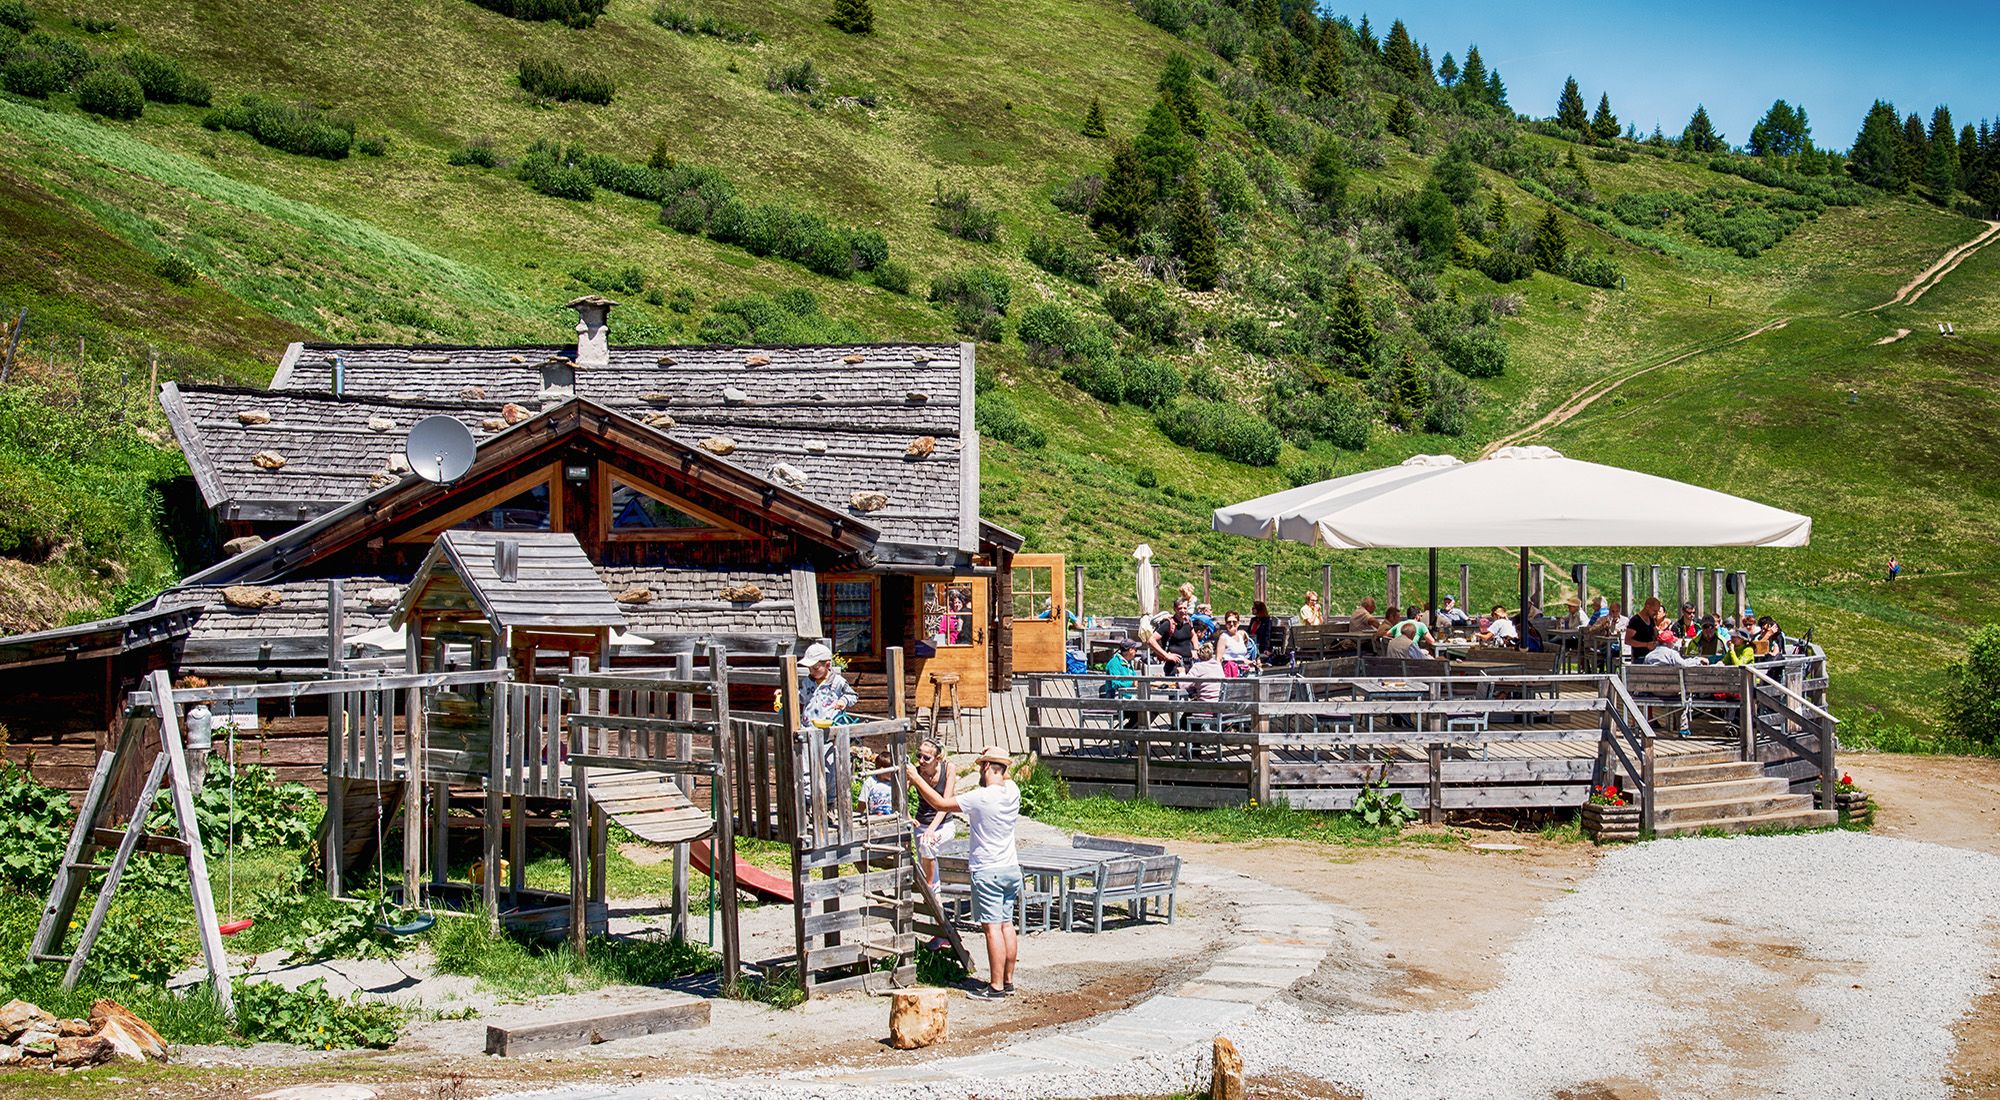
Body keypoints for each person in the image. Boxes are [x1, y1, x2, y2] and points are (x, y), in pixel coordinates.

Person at [909, 745, 1020, 999]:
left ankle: (995, 988)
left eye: (982, 765)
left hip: (988, 869)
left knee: (992, 928)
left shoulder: (981, 797)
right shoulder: (1013, 792)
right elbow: (1006, 773)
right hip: (1010, 868)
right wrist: (995, 754)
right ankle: (1008, 980)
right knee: (1006, 925)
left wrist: (915, 778)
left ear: (987, 768)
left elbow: (940, 803)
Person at [911, 738, 956, 890]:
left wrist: (931, 829)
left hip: (943, 823)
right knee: (926, 860)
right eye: (919, 756)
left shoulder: (949, 768)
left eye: (926, 758)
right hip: (921, 822)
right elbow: (899, 795)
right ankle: (935, 903)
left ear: (937, 759)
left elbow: (945, 803)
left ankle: (929, 888)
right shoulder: (916, 773)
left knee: (927, 845)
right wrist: (908, 817)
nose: (921, 761)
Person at [800, 642, 856, 724]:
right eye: (809, 668)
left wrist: (843, 700)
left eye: (815, 668)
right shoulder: (807, 682)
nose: (811, 671)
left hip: (830, 726)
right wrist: (786, 695)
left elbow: (852, 695)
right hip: (808, 726)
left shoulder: (838, 682)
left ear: (827, 665)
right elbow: (802, 697)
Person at [1103, 638, 1147, 729]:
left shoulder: (1128, 663)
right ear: (1130, 650)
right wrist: (1132, 683)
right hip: (1116, 700)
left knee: (1153, 707)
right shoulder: (1114, 663)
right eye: (1135, 649)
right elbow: (1115, 684)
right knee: (1144, 708)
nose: (1136, 651)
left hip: (1129, 696)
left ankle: (1129, 731)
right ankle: (1128, 732)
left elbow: (1135, 680)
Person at [1146, 604, 1198, 672]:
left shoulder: (1188, 621)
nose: (1183, 610)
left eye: (1185, 608)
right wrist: (1166, 655)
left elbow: (1193, 635)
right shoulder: (1168, 624)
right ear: (1175, 609)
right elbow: (1150, 641)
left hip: (1189, 663)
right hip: (1174, 666)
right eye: (1180, 608)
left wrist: (1196, 649)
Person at [859, 751, 895, 817]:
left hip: (892, 817)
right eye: (890, 771)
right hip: (875, 818)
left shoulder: (894, 782)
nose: (893, 773)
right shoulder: (870, 782)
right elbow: (862, 803)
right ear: (881, 770)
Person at [1626, 597, 1662, 663]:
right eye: (1654, 611)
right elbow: (1628, 640)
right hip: (1640, 657)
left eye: (1657, 611)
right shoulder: (1635, 621)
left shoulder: (1651, 620)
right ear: (1647, 606)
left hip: (1652, 656)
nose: (1656, 613)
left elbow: (1656, 635)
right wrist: (1646, 645)